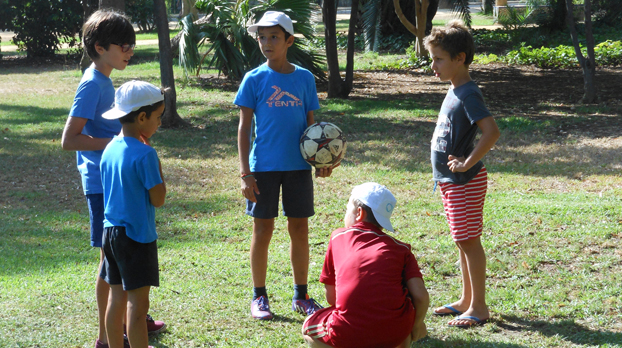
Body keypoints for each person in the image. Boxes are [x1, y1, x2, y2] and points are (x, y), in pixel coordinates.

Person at [60, 9, 165, 348]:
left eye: (132, 45)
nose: (130, 51)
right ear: (101, 46)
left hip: (117, 180)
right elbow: (69, 139)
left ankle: (129, 320)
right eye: (124, 45)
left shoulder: (105, 80)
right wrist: (123, 145)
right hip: (102, 183)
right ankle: (107, 336)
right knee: (110, 262)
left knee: (116, 260)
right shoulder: (92, 83)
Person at [234, 11, 335, 320]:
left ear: (289, 40)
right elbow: (243, 128)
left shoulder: (304, 78)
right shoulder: (253, 79)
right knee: (262, 229)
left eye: (274, 37)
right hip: (262, 167)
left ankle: (301, 295)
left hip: (297, 168)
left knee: (300, 229)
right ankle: (259, 296)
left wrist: (319, 159)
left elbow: (311, 126)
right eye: (262, 37)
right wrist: (245, 173)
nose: (267, 43)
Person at [423, 20, 500, 328]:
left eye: (439, 59)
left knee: (469, 241)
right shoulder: (455, 88)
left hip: (463, 181)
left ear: (460, 58)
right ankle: (466, 300)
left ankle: (479, 307)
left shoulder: (468, 93)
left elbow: (491, 132)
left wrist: (467, 162)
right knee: (462, 240)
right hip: (450, 181)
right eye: (432, 58)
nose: (433, 65)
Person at [302, 182, 429, 348]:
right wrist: (417, 325)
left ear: (359, 213)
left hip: (347, 333)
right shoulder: (402, 249)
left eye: (347, 209)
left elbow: (332, 298)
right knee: (405, 318)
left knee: (308, 327)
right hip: (394, 332)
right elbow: (420, 296)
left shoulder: (338, 237)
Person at [99, 80, 168, 348]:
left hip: (110, 234)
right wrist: (157, 164)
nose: (159, 123)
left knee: (116, 298)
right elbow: (158, 199)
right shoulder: (145, 154)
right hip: (137, 238)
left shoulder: (109, 148)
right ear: (142, 117)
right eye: (158, 117)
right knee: (138, 306)